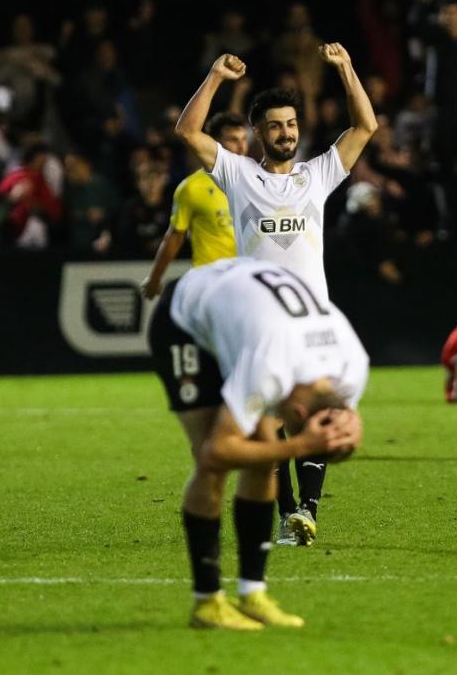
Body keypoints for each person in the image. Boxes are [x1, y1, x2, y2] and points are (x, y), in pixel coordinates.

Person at [174, 45, 377, 548]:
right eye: (275, 126)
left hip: (311, 323)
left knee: (317, 411)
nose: (286, 133)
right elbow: (188, 132)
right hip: (259, 324)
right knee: (268, 424)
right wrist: (215, 76)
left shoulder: (317, 175)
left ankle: (307, 510)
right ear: (257, 132)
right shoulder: (239, 174)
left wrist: (347, 69)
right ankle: (288, 513)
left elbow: (365, 126)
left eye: (291, 124)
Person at [148, 257, 366, 630]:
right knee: (211, 463)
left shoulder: (352, 366)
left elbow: (347, 419)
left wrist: (352, 432)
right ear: (298, 411)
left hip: (247, 319)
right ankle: (207, 603)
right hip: (186, 319)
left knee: (264, 457)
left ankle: (252, 593)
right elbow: (219, 451)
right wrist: (298, 446)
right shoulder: (271, 367)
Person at [140, 112, 247, 299]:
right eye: (233, 140)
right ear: (214, 144)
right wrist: (155, 279)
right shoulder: (192, 188)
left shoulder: (258, 181)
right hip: (209, 284)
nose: (241, 146)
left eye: (244, 139)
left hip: (247, 282)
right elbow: (174, 238)